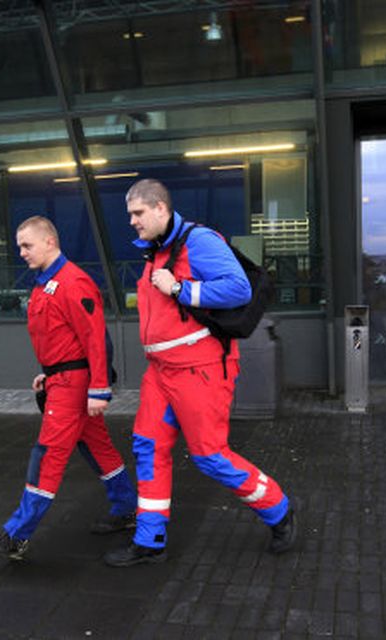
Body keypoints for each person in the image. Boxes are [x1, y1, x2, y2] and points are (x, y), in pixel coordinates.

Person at [103, 178, 296, 567]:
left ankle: (279, 509)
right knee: (148, 447)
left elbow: (238, 289)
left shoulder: (199, 240)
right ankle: (150, 540)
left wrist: (180, 289)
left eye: (138, 213)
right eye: (130, 215)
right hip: (161, 372)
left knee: (210, 456)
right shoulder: (156, 252)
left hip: (200, 370)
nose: (132, 222)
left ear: (160, 208)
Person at [0, 216, 137, 560]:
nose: (21, 252)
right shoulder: (46, 282)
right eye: (20, 246)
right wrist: (48, 373)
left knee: (47, 455)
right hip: (63, 380)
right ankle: (127, 509)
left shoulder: (72, 282)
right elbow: (61, 338)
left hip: (73, 388)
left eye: (27, 245)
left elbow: (96, 340)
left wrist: (99, 389)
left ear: (50, 242)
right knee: (98, 448)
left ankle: (16, 535)